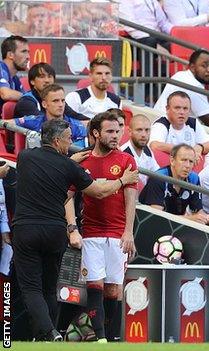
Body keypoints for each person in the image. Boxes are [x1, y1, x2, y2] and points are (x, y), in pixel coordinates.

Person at [12, 119, 138, 341]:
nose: (71, 143)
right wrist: (122, 180)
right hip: (54, 232)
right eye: (69, 139)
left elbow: (45, 167)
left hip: (27, 229)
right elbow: (98, 191)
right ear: (58, 139)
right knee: (51, 289)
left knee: (31, 288)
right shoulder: (69, 166)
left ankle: (49, 333)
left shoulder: (24, 157)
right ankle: (50, 337)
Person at [63, 111, 138, 342]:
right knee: (94, 284)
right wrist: (72, 227)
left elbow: (131, 199)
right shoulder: (83, 162)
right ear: (96, 133)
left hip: (117, 234)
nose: (116, 136)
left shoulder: (126, 160)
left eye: (118, 131)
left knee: (113, 290)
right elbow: (67, 197)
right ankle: (101, 339)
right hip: (92, 233)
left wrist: (128, 232)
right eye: (110, 131)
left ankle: (109, 336)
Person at [139, 143, 209, 226]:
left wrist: (208, 218)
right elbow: (155, 217)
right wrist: (189, 219)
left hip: (173, 227)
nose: (187, 166)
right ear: (172, 161)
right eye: (184, 160)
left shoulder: (194, 179)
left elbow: (198, 211)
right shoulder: (159, 178)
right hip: (146, 224)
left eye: (191, 161)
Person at [153, 50, 209, 128]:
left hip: (159, 121)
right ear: (192, 67)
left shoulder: (180, 74)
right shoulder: (193, 85)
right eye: (204, 66)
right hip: (168, 127)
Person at [7, 84, 87, 146]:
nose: (60, 105)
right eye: (55, 101)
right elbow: (5, 123)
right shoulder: (34, 121)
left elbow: (80, 152)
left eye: (62, 100)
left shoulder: (77, 126)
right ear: (44, 104)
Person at [149, 91, 209, 157]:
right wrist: (185, 151)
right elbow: (154, 145)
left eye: (185, 108)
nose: (182, 112)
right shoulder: (161, 124)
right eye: (177, 108)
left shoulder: (193, 123)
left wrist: (200, 147)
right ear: (167, 109)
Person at [14, 63, 87, 120]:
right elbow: (42, 123)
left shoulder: (56, 98)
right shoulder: (26, 102)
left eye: (50, 77)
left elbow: (74, 115)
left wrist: (93, 123)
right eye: (42, 77)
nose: (47, 80)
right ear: (32, 81)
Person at [120, 114, 160, 186]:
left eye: (147, 130)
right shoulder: (123, 154)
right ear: (129, 132)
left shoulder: (148, 150)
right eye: (139, 130)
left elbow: (158, 174)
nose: (144, 134)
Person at [0, 35, 28, 111]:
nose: (28, 57)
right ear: (10, 55)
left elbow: (24, 97)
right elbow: (5, 94)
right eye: (24, 52)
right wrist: (29, 97)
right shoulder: (1, 68)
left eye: (28, 52)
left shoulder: (15, 79)